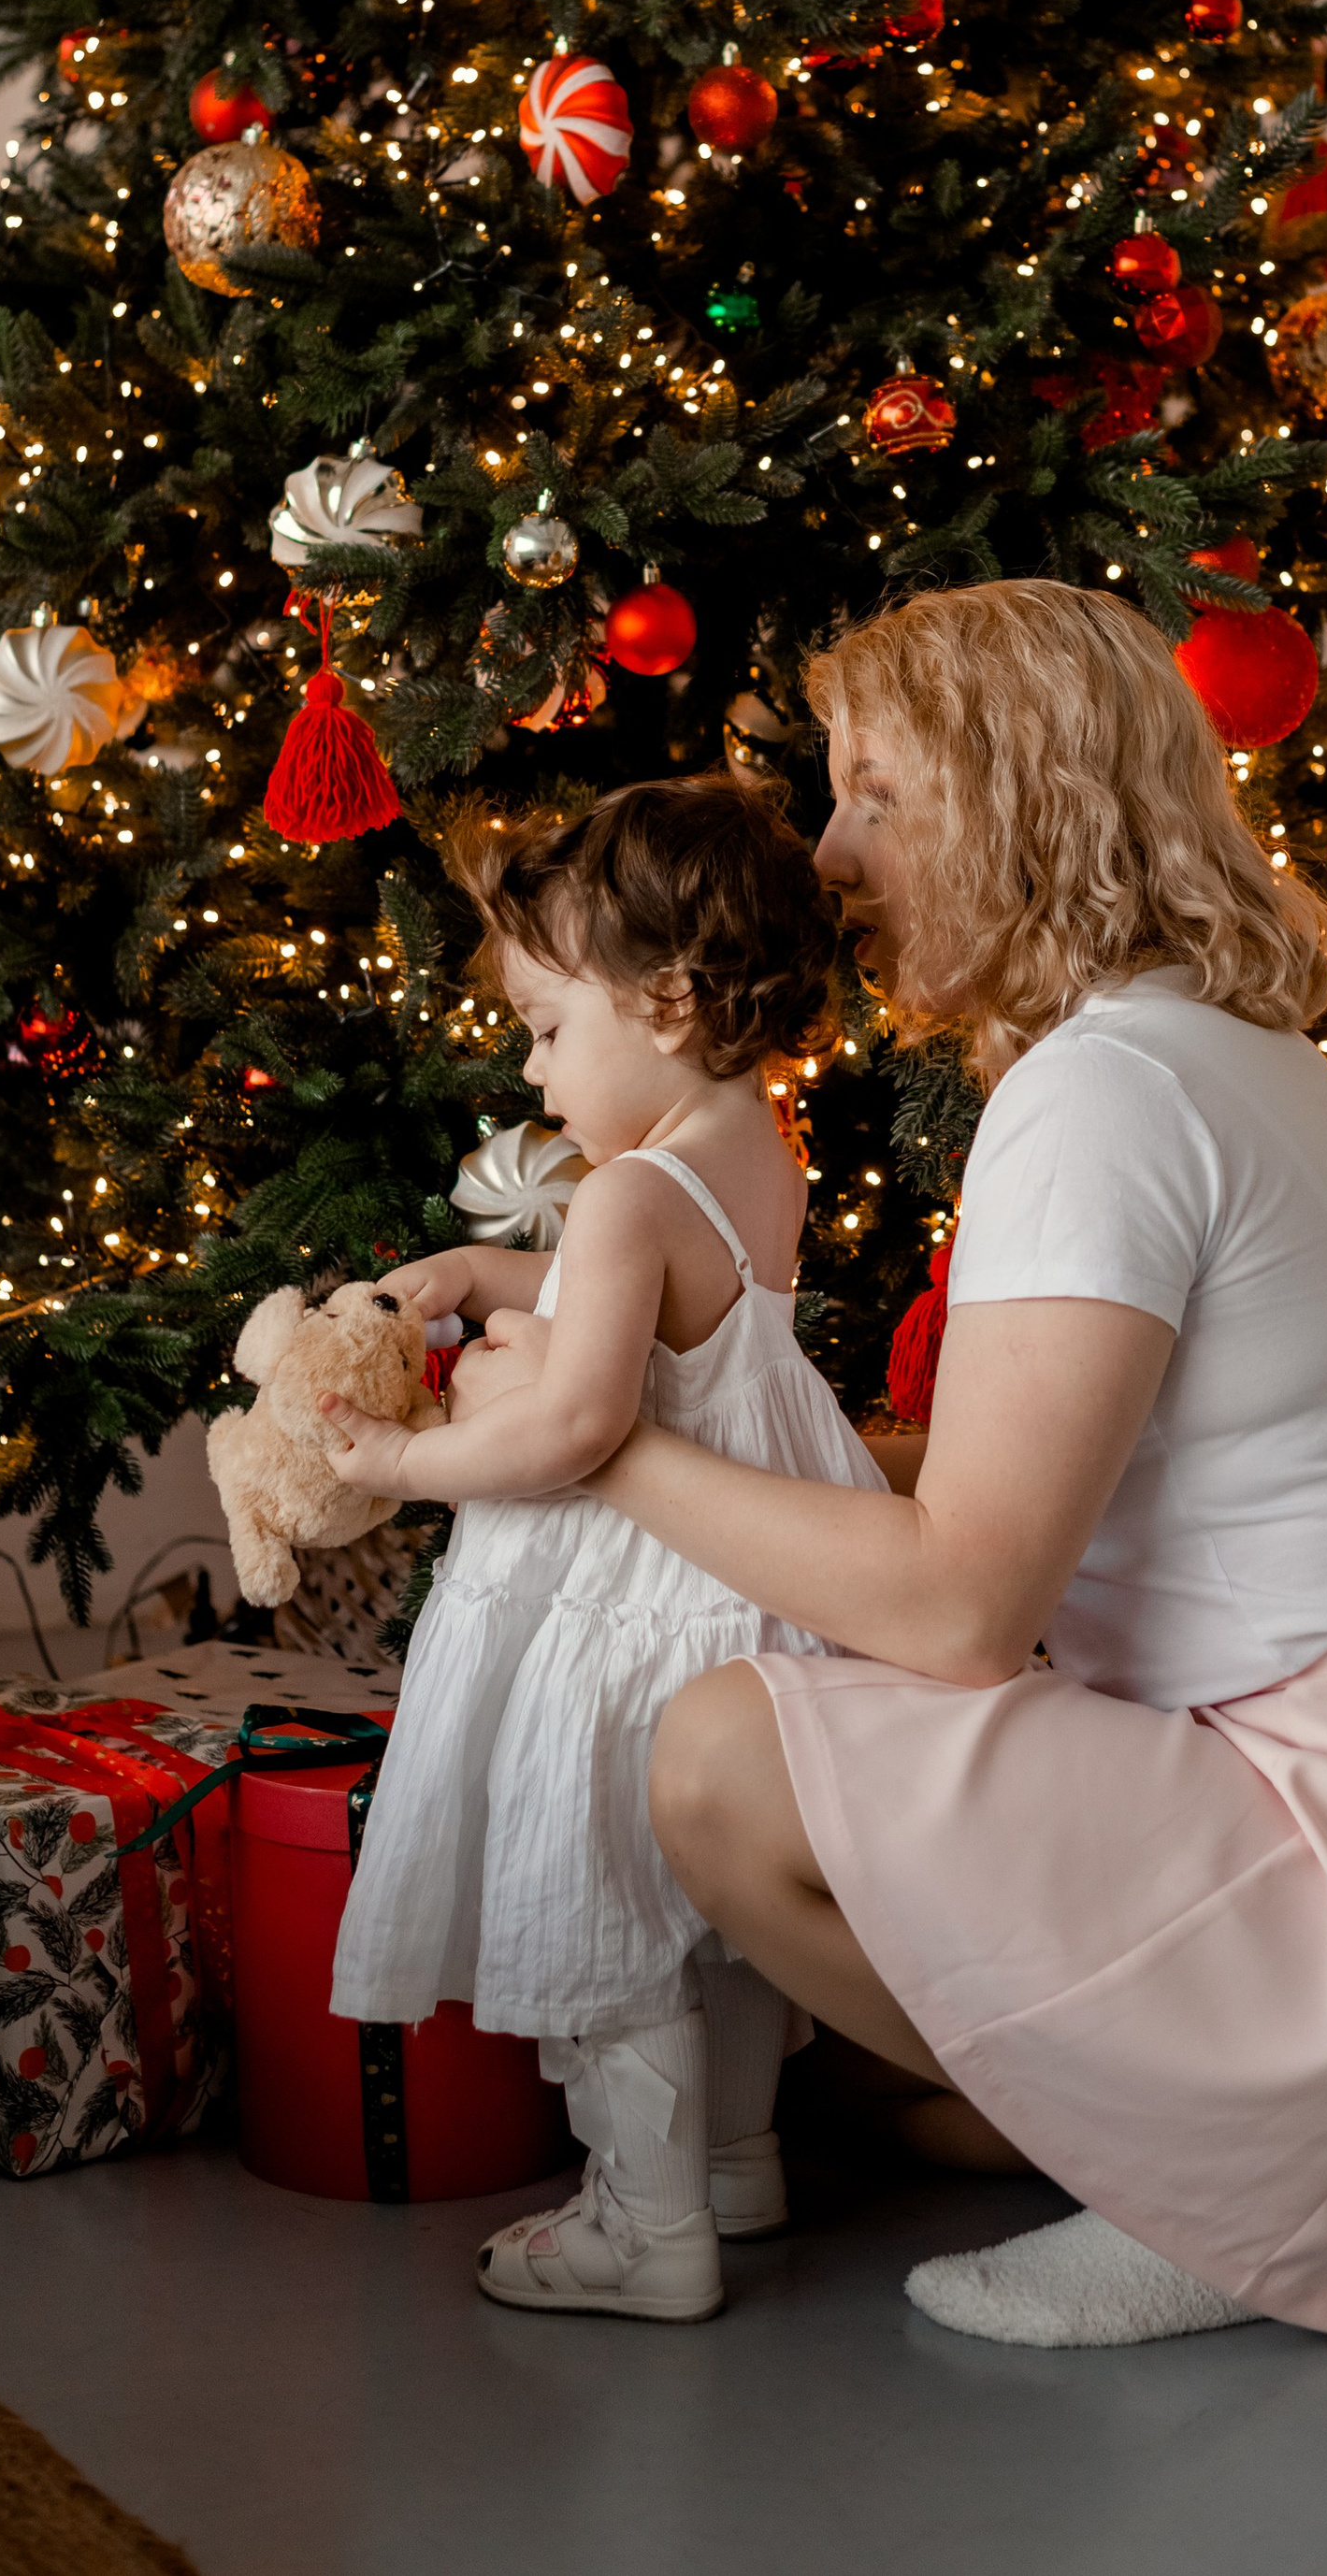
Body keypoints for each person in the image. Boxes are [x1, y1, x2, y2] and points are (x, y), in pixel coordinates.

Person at [470, 580, 1327, 2349]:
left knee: (720, 1756)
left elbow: (961, 1605)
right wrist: (727, 1420)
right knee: (892, 2100)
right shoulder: (1202, 1045)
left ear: (1017, 802)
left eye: (878, 793)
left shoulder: (1101, 1099)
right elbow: (1032, 1467)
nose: (832, 853)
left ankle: (1239, 2186)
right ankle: (1233, 2125)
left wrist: (596, 1445)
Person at [323, 772, 885, 2324]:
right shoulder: (747, 1148)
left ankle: (645, 2223)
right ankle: (733, 2165)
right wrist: (484, 1269)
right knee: (715, 1915)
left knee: (605, 1896)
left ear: (670, 1001)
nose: (530, 1066)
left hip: (629, 1602)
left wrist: (402, 1463)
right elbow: (642, 1297)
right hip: (748, 1588)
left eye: (549, 1028)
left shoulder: (632, 1191)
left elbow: (577, 1419)